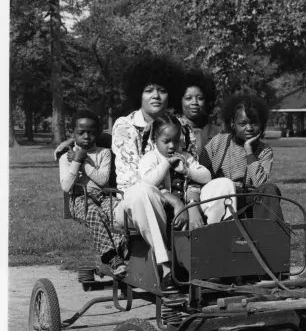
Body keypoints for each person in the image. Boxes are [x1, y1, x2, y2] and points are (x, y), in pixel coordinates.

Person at [118, 112, 213, 288]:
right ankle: (166, 267)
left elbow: (206, 176)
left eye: (176, 141)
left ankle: (199, 271)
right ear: (155, 140)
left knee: (187, 237)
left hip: (179, 211)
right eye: (166, 141)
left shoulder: (185, 157)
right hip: (156, 208)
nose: (172, 146)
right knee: (144, 191)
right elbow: (148, 182)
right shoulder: (150, 159)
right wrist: (166, 164)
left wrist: (187, 171)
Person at [58, 109, 126, 277]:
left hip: (103, 196)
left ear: (99, 133)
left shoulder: (104, 153)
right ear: (72, 133)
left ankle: (125, 250)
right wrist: (75, 161)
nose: (86, 137)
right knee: (95, 213)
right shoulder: (65, 157)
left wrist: (84, 163)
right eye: (81, 133)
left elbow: (102, 180)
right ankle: (111, 257)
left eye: (91, 133)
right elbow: (66, 187)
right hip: (79, 199)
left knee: (121, 212)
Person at [198, 93, 282, 222]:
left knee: (270, 188)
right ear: (232, 124)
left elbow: (261, 184)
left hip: (249, 200)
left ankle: (273, 234)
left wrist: (249, 151)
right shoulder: (218, 142)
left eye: (254, 123)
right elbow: (200, 172)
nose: (249, 128)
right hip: (220, 198)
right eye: (242, 123)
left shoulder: (264, 150)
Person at [178, 67, 221, 160]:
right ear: (179, 101)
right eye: (188, 98)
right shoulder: (172, 128)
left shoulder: (217, 132)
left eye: (200, 98)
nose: (195, 102)